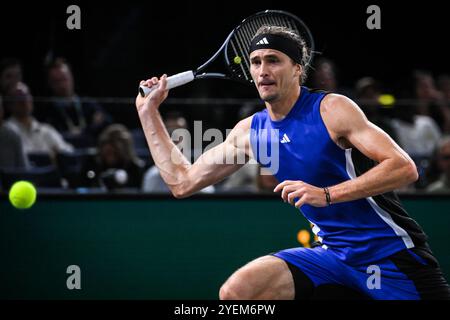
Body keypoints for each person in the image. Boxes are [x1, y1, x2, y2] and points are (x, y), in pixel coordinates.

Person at [135, 26, 450, 300]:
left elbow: (403, 166)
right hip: (331, 258)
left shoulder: (332, 109)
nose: (262, 70)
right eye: (256, 62)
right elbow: (182, 182)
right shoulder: (250, 132)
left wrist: (326, 195)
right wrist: (148, 113)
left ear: (298, 69)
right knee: (238, 292)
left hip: (391, 256)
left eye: (273, 60)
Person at [3, 82, 74, 158]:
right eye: (18, 97)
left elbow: (69, 151)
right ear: (9, 104)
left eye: (26, 95)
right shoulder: (6, 131)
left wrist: (59, 154)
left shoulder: (46, 130)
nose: (24, 101)